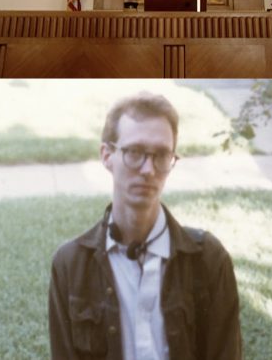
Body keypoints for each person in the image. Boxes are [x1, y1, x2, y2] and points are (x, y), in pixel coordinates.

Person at [49, 92, 242, 360]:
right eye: (135, 152)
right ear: (107, 155)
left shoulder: (208, 259)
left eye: (162, 155)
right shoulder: (70, 265)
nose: (148, 170)